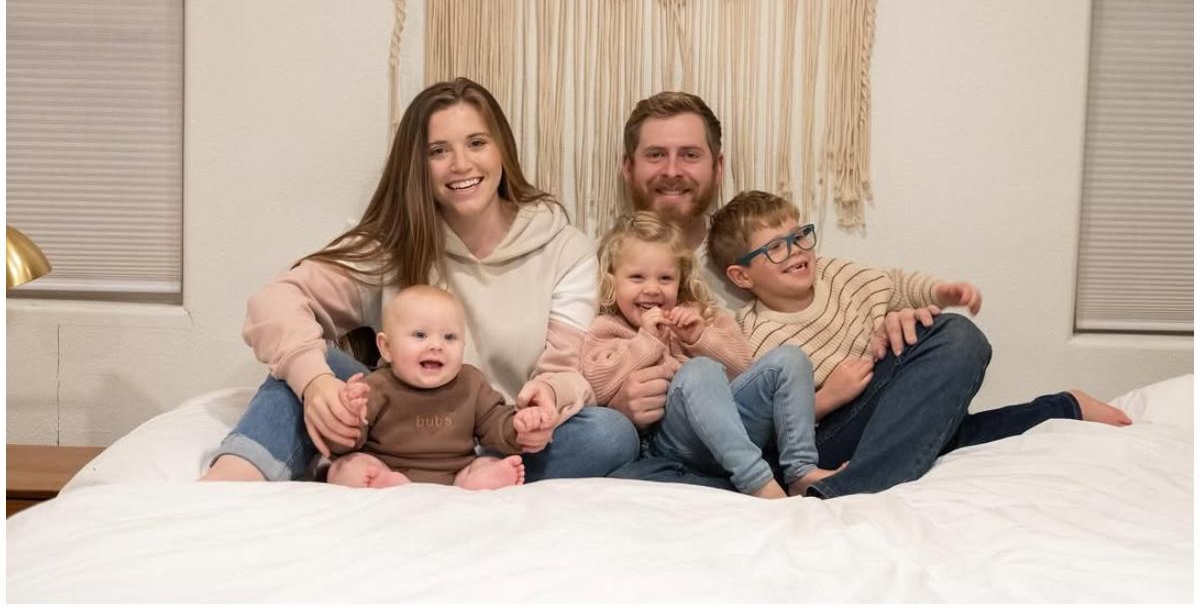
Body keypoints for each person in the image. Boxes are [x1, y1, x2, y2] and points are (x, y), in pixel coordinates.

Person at [201, 77, 639, 483]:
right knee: (312, 365)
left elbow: (566, 369)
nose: (460, 164)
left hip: (500, 438)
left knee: (609, 433)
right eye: (438, 151)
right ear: (419, 164)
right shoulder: (393, 245)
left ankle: (468, 477)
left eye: (477, 143)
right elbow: (274, 301)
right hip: (396, 440)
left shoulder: (563, 249)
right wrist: (316, 384)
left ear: (501, 149)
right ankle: (232, 485)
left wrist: (545, 399)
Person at [707, 190, 1132, 497]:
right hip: (829, 433)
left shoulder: (839, 275)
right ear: (742, 276)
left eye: (800, 236)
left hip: (889, 401)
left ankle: (1065, 407)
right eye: (776, 249)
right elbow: (768, 426)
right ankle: (847, 489)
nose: (797, 251)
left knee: (953, 338)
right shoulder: (755, 334)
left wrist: (942, 292)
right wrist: (828, 397)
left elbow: (898, 284)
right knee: (945, 423)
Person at [581, 212, 838, 498]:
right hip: (675, 444)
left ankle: (801, 470)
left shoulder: (701, 316)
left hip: (736, 432)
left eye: (665, 278)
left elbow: (745, 370)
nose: (652, 288)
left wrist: (700, 339)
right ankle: (759, 483)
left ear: (680, 280)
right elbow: (596, 387)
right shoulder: (608, 328)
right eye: (637, 277)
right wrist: (647, 341)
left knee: (791, 358)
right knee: (699, 370)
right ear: (611, 280)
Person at [326, 286, 557, 490]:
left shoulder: (471, 383)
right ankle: (385, 484)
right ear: (386, 347)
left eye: (449, 337)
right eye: (420, 335)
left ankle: (478, 483)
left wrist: (519, 425)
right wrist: (350, 417)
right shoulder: (375, 386)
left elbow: (494, 423)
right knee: (346, 467)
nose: (436, 345)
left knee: (487, 462)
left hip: (456, 473)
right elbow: (344, 444)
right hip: (386, 468)